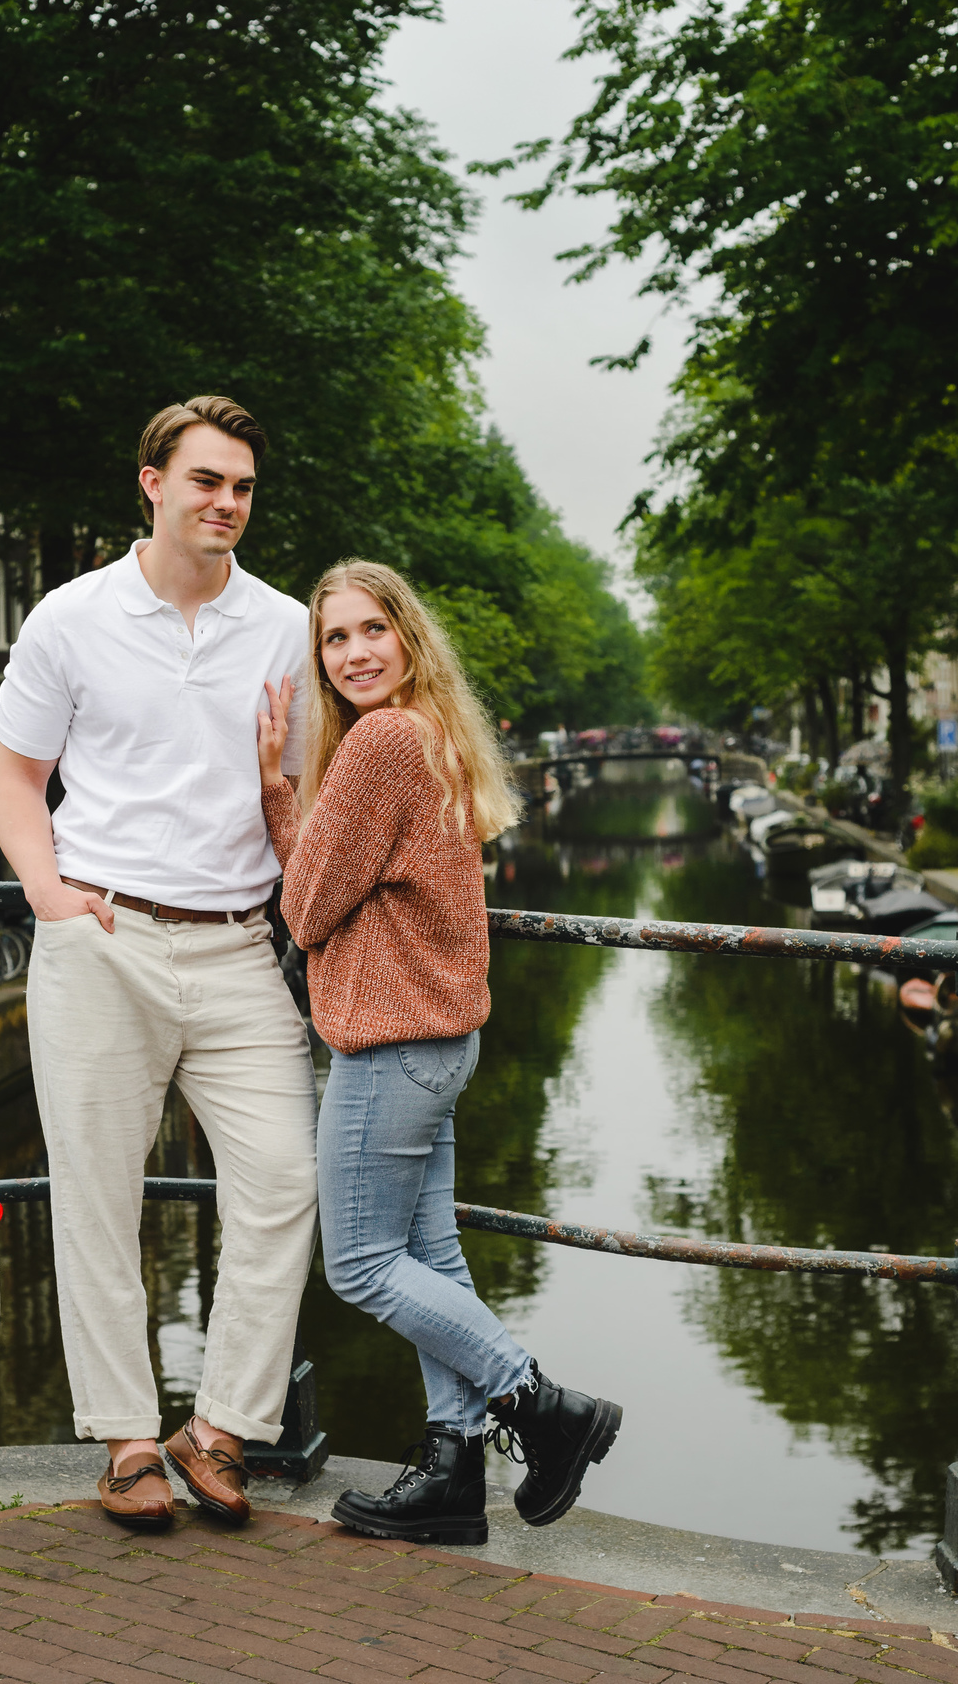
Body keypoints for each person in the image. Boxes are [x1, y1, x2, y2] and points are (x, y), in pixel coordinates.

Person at [0, 396, 318, 1533]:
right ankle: (128, 1438)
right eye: (206, 481)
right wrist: (51, 899)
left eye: (241, 488)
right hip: (105, 940)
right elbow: (17, 781)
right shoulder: (70, 619)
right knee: (95, 1197)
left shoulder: (284, 626)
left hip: (235, 942)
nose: (226, 504)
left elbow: (307, 792)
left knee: (283, 1178)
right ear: (152, 482)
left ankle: (220, 1424)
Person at [257, 560, 622, 1546]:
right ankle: (454, 1469)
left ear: (407, 637)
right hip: (439, 1042)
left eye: (372, 629)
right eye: (335, 638)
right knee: (431, 1253)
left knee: (364, 1264)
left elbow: (304, 905)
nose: (354, 652)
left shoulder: (380, 741)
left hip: (389, 1048)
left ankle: (543, 1406)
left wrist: (281, 802)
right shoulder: (434, 734)